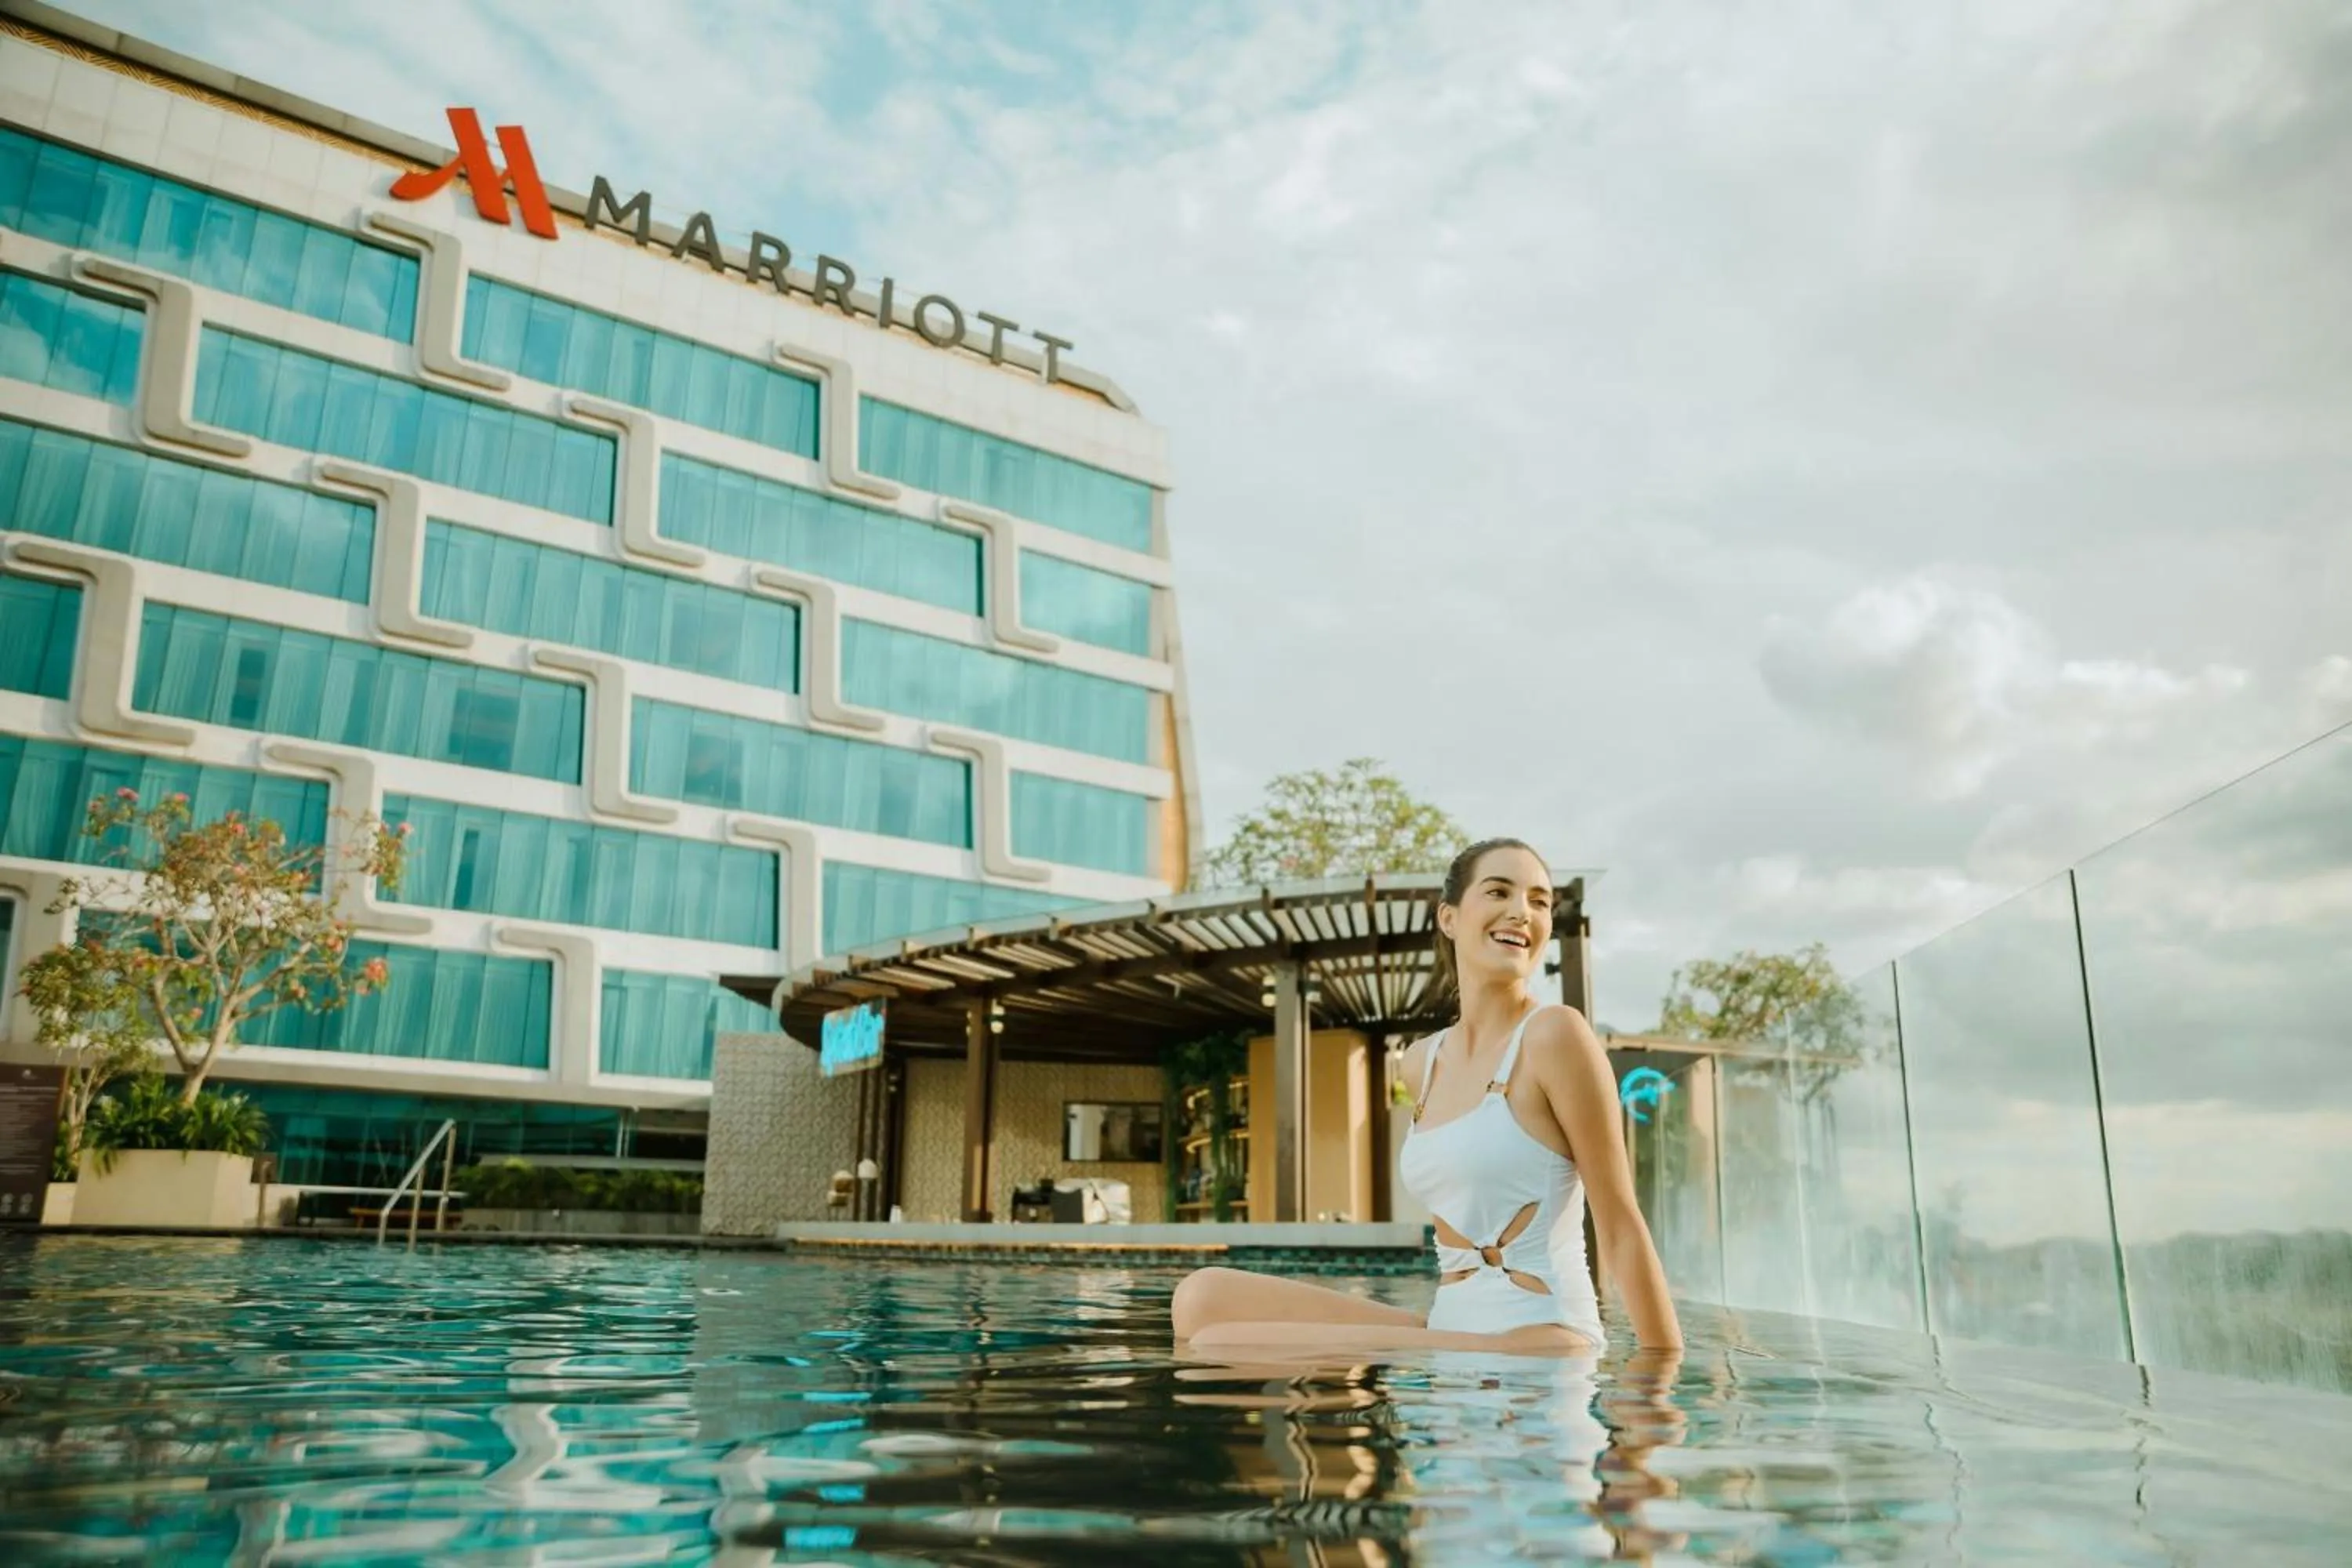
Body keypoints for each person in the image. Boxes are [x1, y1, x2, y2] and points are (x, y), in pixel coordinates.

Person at [1171, 837, 1682, 1359]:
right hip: (1455, 1328)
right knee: (1201, 1299)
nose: (1521, 912)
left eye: (1539, 901)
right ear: (1449, 918)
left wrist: (1659, 1387)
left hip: (1544, 1337)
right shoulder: (1421, 1062)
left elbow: (1620, 1223)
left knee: (1218, 1342)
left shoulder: (1555, 1035)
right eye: (1499, 892)